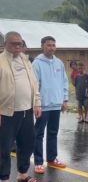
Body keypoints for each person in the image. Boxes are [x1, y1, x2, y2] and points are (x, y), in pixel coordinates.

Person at [0, 31, 41, 182]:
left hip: (27, 110)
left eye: (20, 43)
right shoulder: (1, 61)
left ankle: (22, 173)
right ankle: (3, 177)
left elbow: (34, 84)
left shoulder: (26, 60)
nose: (18, 46)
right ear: (5, 44)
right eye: (14, 43)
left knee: (27, 143)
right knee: (3, 147)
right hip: (6, 113)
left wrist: (37, 103)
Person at [32, 36, 69, 174]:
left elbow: (64, 82)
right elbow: (35, 85)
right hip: (43, 105)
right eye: (48, 45)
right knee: (39, 134)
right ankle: (38, 162)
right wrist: (37, 104)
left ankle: (52, 158)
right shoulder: (37, 63)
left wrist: (64, 99)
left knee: (53, 132)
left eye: (53, 45)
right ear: (42, 46)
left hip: (56, 105)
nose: (51, 47)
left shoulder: (59, 63)